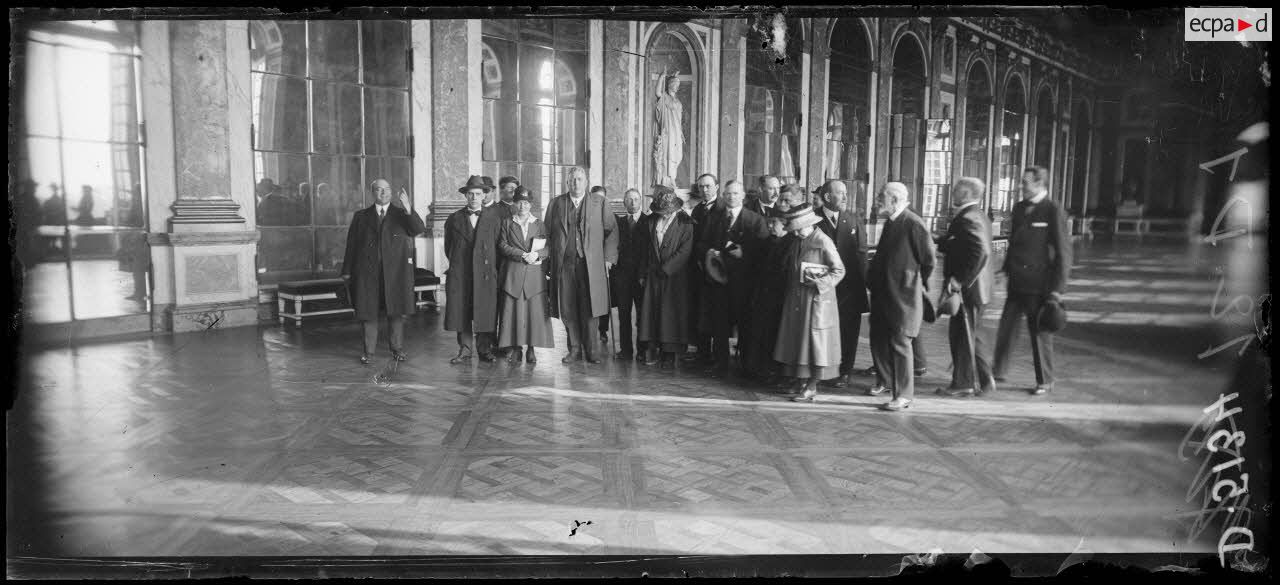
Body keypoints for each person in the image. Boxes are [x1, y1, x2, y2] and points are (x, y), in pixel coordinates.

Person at [992, 165, 1071, 395]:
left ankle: (1045, 380)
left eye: (1025, 182)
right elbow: (1014, 244)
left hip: (1039, 285)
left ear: (1039, 184)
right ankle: (998, 371)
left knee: (1039, 333)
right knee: (1006, 329)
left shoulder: (1052, 210)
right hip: (1017, 280)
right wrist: (1004, 270)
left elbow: (1064, 253)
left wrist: (1057, 290)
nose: (1020, 186)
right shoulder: (1018, 208)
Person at [341, 178, 427, 364]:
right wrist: (346, 271)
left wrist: (408, 207)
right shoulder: (361, 216)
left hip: (395, 273)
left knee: (395, 312)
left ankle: (397, 350)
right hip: (367, 274)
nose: (383, 193)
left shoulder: (402, 213)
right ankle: (369, 353)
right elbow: (351, 246)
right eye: (379, 190)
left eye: (386, 189)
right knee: (367, 313)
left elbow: (418, 229)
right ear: (372, 193)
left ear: (391, 191)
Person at [866, 182, 936, 411]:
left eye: (880, 196)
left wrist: (912, 283)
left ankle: (904, 395)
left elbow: (928, 261)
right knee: (882, 339)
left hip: (903, 296)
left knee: (900, 343)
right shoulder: (893, 221)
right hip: (884, 294)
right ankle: (886, 382)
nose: (877, 199)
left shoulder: (913, 223)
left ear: (894, 199)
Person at [694, 179, 768, 377]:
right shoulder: (713, 218)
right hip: (718, 282)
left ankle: (746, 365)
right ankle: (720, 364)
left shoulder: (755, 220)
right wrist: (709, 251)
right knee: (719, 325)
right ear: (723, 196)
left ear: (743, 196)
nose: (731, 197)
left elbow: (764, 251)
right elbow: (700, 244)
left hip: (744, 284)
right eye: (727, 194)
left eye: (735, 193)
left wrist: (744, 253)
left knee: (745, 325)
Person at [545, 166, 618, 364]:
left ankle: (592, 350)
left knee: (591, 308)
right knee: (568, 308)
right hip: (565, 265)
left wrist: (609, 259)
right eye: (572, 180)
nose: (576, 183)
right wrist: (548, 264)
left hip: (591, 266)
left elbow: (612, 232)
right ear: (567, 183)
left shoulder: (600, 203)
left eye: (579, 179)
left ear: (586, 182)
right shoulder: (556, 204)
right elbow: (547, 235)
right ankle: (574, 349)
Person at [774, 204, 846, 401]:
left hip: (816, 300)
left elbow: (839, 270)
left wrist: (820, 283)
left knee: (816, 345)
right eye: (794, 228)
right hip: (797, 298)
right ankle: (801, 381)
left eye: (799, 227)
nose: (796, 232)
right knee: (798, 342)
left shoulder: (823, 241)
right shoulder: (800, 240)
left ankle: (812, 385)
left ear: (810, 224)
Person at [936, 177, 996, 398]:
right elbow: (963, 243)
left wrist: (960, 280)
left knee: (962, 335)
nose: (952, 192)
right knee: (972, 334)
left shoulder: (969, 217)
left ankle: (963, 384)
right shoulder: (976, 215)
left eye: (957, 190)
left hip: (969, 290)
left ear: (968, 194)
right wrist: (943, 241)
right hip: (980, 289)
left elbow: (981, 252)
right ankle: (985, 378)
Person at [813, 179, 869, 389]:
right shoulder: (813, 219)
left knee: (849, 332)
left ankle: (844, 371)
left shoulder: (853, 221)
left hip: (849, 290)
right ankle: (821, 370)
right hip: (822, 287)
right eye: (841, 193)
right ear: (827, 197)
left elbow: (861, 255)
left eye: (846, 193)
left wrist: (863, 286)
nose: (846, 197)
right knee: (821, 330)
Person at [638, 186, 694, 369]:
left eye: (667, 211)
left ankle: (669, 353)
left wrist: (667, 269)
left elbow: (685, 250)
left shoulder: (686, 223)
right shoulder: (651, 221)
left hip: (674, 277)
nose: (665, 214)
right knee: (652, 313)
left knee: (670, 315)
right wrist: (642, 273)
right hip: (653, 275)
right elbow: (645, 249)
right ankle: (652, 348)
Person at [497, 187, 553, 364]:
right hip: (513, 274)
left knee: (532, 314)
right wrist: (521, 254)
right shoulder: (507, 222)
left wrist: (537, 255)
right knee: (514, 313)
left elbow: (547, 247)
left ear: (531, 205)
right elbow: (502, 245)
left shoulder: (539, 223)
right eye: (520, 202)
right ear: (515, 203)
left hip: (534, 276)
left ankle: (531, 349)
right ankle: (516, 349)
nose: (523, 206)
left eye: (527, 202)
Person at [740, 208, 796, 382]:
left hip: (780, 298)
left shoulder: (791, 243)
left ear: (785, 225)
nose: (770, 226)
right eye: (769, 222)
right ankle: (760, 369)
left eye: (774, 223)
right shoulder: (768, 242)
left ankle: (775, 372)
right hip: (763, 296)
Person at [443, 175, 490, 363]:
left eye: (478, 194)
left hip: (485, 274)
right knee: (461, 311)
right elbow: (449, 247)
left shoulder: (494, 218)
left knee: (484, 311)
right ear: (466, 196)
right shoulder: (454, 219)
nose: (474, 198)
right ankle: (465, 349)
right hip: (461, 273)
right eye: (470, 194)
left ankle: (485, 349)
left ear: (484, 196)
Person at [683, 172, 725, 364]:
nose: (705, 190)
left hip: (718, 271)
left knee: (718, 315)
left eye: (708, 186)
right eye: (701, 187)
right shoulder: (698, 209)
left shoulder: (724, 208)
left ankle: (719, 357)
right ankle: (702, 352)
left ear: (717, 186)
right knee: (701, 312)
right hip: (699, 270)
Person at [472, 175, 514, 362]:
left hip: (501, 268)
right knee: (483, 310)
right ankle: (483, 347)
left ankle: (501, 344)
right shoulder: (470, 212)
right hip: (480, 270)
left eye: (487, 191)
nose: (485, 195)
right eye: (483, 191)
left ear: (492, 192)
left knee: (501, 308)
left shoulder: (502, 212)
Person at [609, 188, 649, 360]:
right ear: (624, 202)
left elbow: (650, 253)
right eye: (629, 199)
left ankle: (642, 351)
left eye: (636, 199)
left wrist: (643, 274)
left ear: (641, 201)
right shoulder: (619, 223)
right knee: (623, 315)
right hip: (623, 277)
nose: (633, 202)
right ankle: (626, 350)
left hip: (641, 277)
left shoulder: (649, 222)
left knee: (642, 316)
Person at [653, 68, 685, 188]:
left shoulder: (678, 101)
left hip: (676, 131)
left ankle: (672, 177)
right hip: (668, 130)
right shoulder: (665, 97)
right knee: (668, 153)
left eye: (678, 85)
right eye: (675, 84)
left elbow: (679, 119)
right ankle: (667, 179)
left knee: (677, 155)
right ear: (670, 85)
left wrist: (681, 132)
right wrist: (661, 77)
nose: (677, 87)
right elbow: (657, 93)